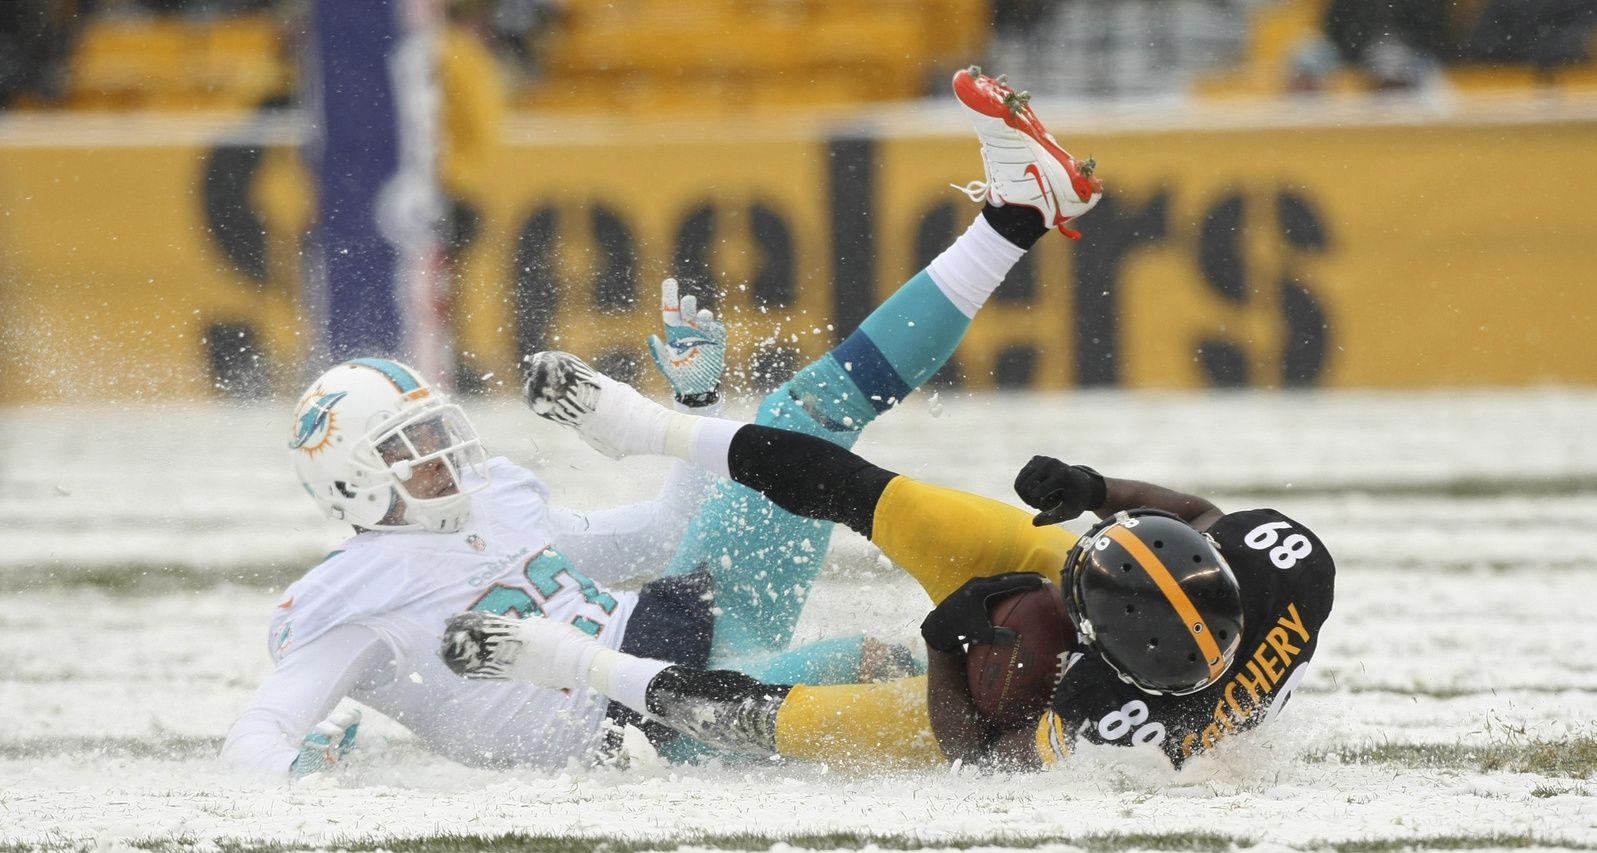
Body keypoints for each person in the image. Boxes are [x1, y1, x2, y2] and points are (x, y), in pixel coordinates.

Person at [220, 66, 1105, 777]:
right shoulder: (347, 600)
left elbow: (660, 533)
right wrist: (290, 776)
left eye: (432, 429)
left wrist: (691, 408)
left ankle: (1017, 212)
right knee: (902, 676)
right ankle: (1096, 723)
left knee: (798, 417)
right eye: (407, 449)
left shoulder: (495, 497)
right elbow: (255, 734)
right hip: (667, 714)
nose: (443, 455)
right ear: (352, 481)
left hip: (688, 607)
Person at [445, 353, 1336, 772]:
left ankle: (569, 659)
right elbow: (1195, 516)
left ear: (1099, 645)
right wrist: (1096, 488)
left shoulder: (1107, 728)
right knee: (879, 495)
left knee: (781, 717)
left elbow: (979, 754)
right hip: (1122, 631)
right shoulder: (1287, 569)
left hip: (1007, 707)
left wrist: (947, 644)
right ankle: (646, 429)